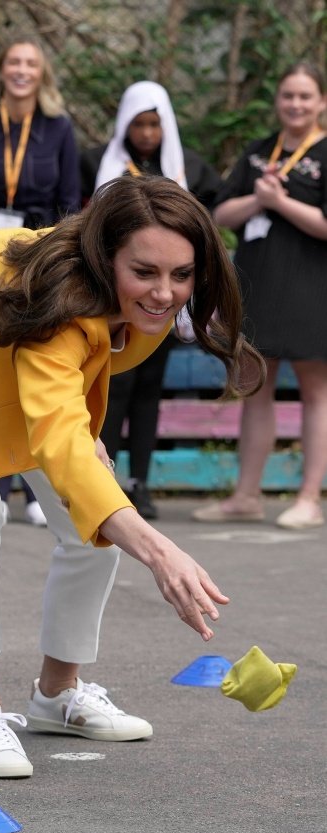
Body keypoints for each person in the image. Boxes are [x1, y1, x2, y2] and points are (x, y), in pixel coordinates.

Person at [0, 176, 265, 780]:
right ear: (106, 259)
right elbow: (56, 393)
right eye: (146, 272)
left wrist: (80, 444)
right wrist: (159, 552)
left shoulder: (141, 301)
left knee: (91, 508)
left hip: (4, 336)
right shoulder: (61, 300)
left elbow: (71, 386)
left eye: (182, 275)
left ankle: (57, 695)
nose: (164, 292)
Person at [192, 61, 327, 530]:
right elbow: (221, 213)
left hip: (313, 288)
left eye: (306, 96)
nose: (295, 104)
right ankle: (247, 494)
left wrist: (281, 202)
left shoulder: (325, 153)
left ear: (322, 102)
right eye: (288, 95)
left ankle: (309, 498)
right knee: (255, 388)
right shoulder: (257, 152)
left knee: (316, 392)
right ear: (278, 100)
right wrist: (258, 198)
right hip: (259, 285)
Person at [81, 81, 222, 518]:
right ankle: (101, 478)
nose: (146, 134)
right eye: (138, 124)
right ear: (125, 123)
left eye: (154, 125)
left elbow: (211, 214)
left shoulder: (186, 168)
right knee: (112, 387)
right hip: (114, 297)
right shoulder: (97, 163)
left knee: (148, 393)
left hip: (161, 304)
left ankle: (139, 482)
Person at [0, 35, 81, 526]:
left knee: (35, 360)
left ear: (41, 74)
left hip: (42, 260)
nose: (22, 70)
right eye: (14, 62)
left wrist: (49, 254)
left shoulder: (59, 129)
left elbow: (71, 197)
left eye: (31, 63)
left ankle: (35, 488)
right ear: (0, 70)